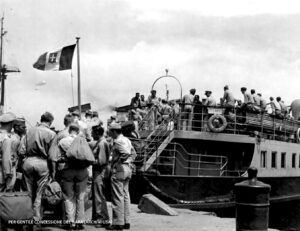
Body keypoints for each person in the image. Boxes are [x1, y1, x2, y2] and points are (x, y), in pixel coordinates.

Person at [19, 112, 56, 221]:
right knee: (39, 193)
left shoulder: (29, 131)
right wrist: (53, 172)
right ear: (50, 122)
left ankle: (26, 217)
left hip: (29, 162)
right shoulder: (51, 134)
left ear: (41, 119)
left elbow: (21, 150)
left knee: (28, 192)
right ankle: (36, 218)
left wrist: (25, 160)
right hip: (43, 163)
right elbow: (52, 156)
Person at [59, 123, 89, 230]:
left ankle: (70, 222)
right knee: (80, 196)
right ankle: (80, 222)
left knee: (68, 196)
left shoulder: (63, 141)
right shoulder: (83, 140)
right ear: (78, 131)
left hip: (68, 170)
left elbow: (58, 156)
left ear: (69, 130)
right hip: (82, 171)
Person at [106, 122, 136, 231]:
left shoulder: (118, 141)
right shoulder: (127, 140)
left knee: (117, 196)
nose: (109, 133)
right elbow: (133, 153)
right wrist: (129, 162)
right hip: (128, 168)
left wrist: (117, 162)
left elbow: (126, 153)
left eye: (110, 131)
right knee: (125, 195)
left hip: (120, 169)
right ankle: (126, 221)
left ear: (114, 131)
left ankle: (118, 223)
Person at [90, 124, 111, 227]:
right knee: (98, 194)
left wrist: (89, 160)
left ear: (97, 133)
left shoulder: (102, 143)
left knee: (99, 195)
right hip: (98, 172)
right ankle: (99, 217)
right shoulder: (101, 142)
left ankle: (101, 218)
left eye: (92, 132)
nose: (91, 134)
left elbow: (101, 161)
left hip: (99, 172)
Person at [0, 112, 17, 192]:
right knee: (5, 196)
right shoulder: (6, 139)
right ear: (11, 124)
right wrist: (8, 173)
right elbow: (6, 158)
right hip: (2, 171)